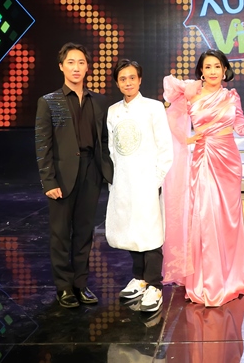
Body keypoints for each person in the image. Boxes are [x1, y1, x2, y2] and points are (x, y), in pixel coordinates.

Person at [162, 49, 244, 306]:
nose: (213, 71)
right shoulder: (191, 94)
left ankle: (232, 277)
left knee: (229, 220)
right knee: (206, 217)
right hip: (204, 158)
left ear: (225, 69)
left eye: (217, 66)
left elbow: (240, 128)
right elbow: (171, 119)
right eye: (208, 67)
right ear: (201, 71)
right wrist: (187, 139)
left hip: (229, 161)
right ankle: (207, 282)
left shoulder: (232, 96)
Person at [35, 42, 114, 308]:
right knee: (60, 234)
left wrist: (105, 172)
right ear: (61, 66)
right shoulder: (50, 102)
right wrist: (48, 180)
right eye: (71, 62)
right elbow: (43, 144)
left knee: (84, 232)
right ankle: (64, 288)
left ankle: (81, 284)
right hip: (62, 175)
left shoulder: (99, 101)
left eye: (81, 62)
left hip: (91, 172)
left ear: (88, 67)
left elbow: (104, 140)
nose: (76, 67)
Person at [104, 59, 173, 312]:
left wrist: (156, 180)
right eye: (122, 79)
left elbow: (165, 148)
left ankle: (154, 285)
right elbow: (112, 149)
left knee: (150, 231)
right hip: (123, 180)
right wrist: (114, 181)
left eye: (132, 77)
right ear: (117, 83)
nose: (128, 83)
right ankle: (139, 278)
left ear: (140, 79)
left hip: (147, 181)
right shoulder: (112, 111)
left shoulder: (154, 108)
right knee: (130, 229)